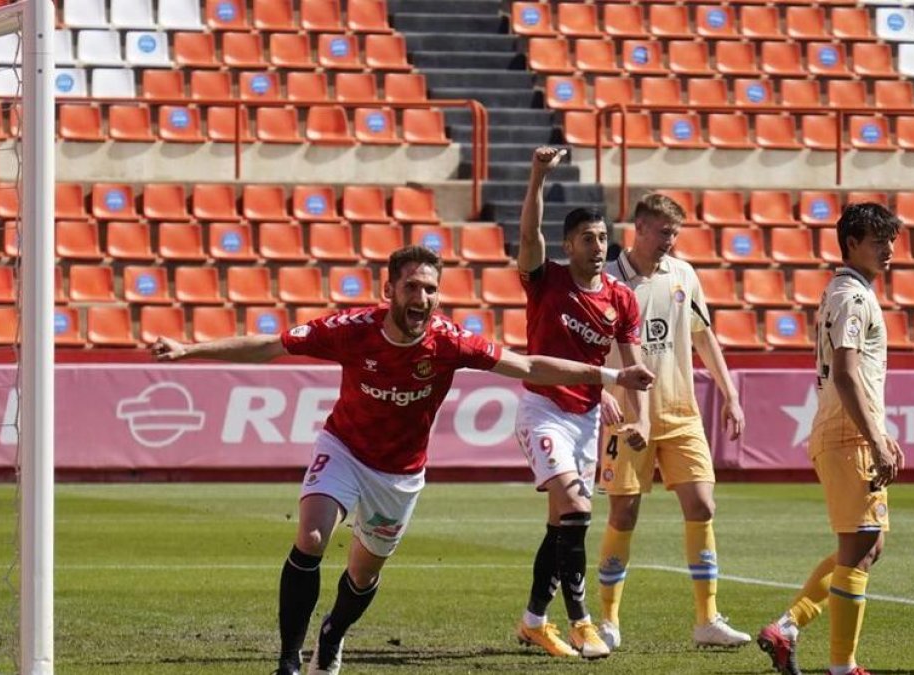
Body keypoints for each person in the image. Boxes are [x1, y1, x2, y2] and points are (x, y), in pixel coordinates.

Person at [152, 246, 655, 675]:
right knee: (310, 539)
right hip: (344, 449)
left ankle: (332, 634)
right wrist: (187, 350)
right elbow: (269, 346)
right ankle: (288, 660)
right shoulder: (354, 329)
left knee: (363, 578)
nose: (422, 299)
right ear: (389, 289)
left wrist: (611, 377)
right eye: (413, 288)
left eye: (431, 290)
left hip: (400, 474)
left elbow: (526, 365)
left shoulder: (449, 341)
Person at [595, 193, 752, 649]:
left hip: (682, 412)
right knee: (624, 512)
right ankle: (607, 621)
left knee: (703, 506)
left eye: (675, 233)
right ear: (638, 229)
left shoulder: (683, 275)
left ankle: (707, 620)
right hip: (627, 418)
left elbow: (705, 340)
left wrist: (730, 395)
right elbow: (585, 349)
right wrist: (600, 392)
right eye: (663, 232)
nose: (670, 241)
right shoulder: (606, 280)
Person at [510, 147, 648, 660]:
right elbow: (527, 236)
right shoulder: (546, 280)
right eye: (588, 238)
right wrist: (538, 176)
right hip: (543, 409)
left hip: (587, 418)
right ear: (567, 244)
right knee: (577, 507)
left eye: (603, 238)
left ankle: (532, 622)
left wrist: (637, 419)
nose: (597, 246)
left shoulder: (621, 297)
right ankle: (582, 622)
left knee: (560, 524)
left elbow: (632, 364)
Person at [757, 203, 904, 675]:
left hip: (846, 431)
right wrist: (875, 439)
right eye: (878, 240)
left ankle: (788, 627)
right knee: (862, 545)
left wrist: (880, 432)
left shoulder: (847, 292)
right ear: (852, 244)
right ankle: (842, 666)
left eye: (891, 240)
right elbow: (845, 372)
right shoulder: (852, 297)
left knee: (868, 544)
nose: (889, 249)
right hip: (847, 435)